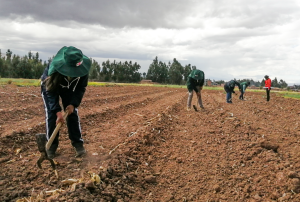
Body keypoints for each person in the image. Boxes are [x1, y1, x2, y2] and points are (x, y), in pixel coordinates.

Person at [41, 46, 91, 159]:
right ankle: (51, 147)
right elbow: (50, 92)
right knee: (52, 115)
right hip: (50, 87)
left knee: (72, 113)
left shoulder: (83, 68)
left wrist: (73, 104)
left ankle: (78, 145)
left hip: (69, 89)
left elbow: (80, 88)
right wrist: (57, 111)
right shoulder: (54, 70)